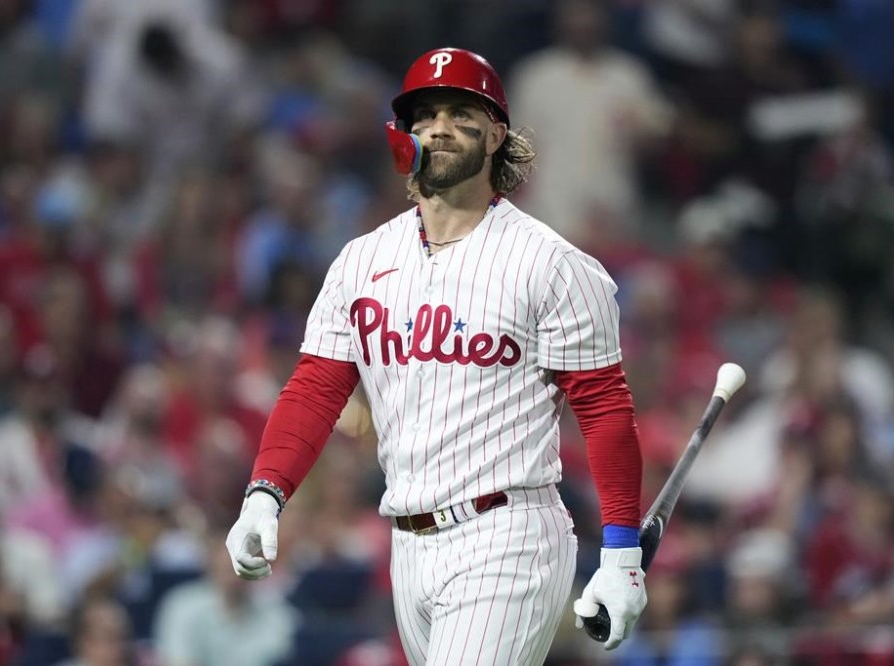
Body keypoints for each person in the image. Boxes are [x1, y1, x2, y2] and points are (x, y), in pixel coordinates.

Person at [225, 46, 647, 665]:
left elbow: (605, 409)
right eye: (425, 115)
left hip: (507, 534)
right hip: (408, 543)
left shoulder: (550, 264)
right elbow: (316, 387)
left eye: (459, 113)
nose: (440, 127)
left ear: (496, 134)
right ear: (405, 134)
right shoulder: (361, 261)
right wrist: (264, 494)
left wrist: (621, 556)